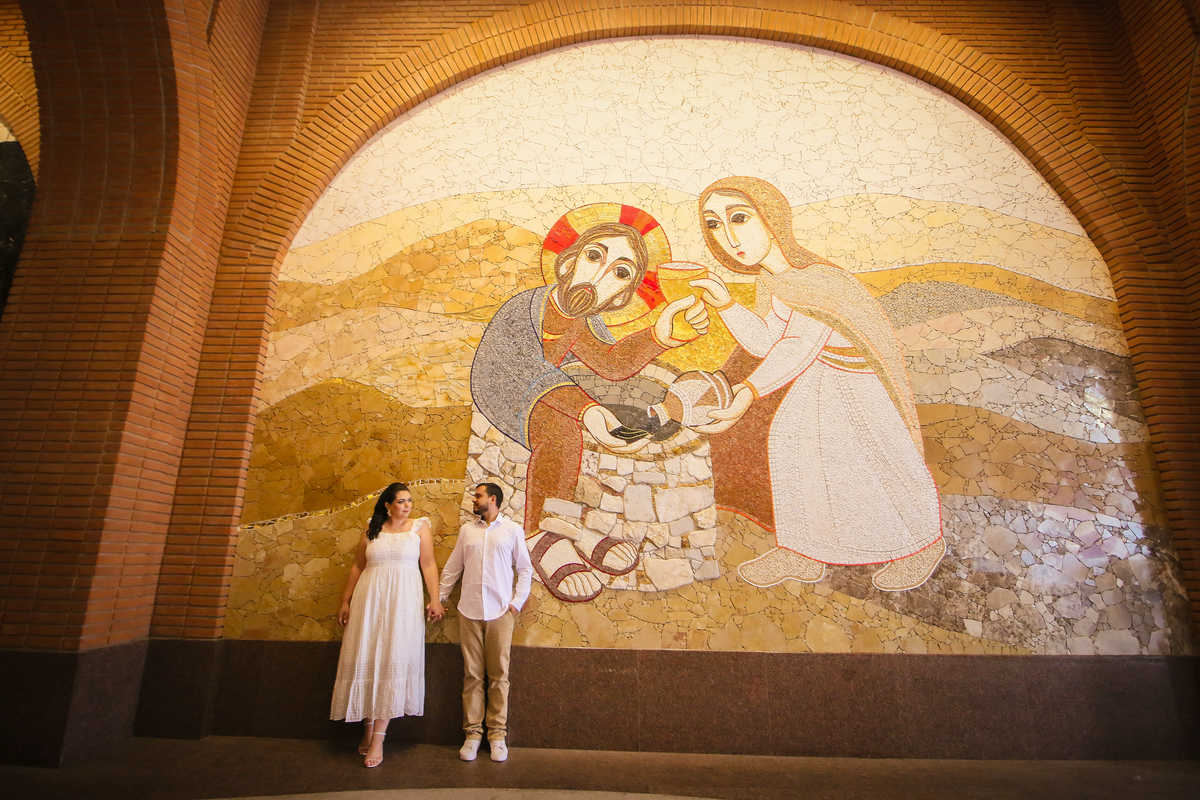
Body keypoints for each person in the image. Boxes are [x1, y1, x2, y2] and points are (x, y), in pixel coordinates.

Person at [691, 176, 945, 592]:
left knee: (879, 461)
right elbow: (767, 342)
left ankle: (920, 545)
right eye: (714, 225)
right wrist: (727, 305)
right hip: (820, 378)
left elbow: (798, 345)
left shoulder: (819, 280)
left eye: (739, 218)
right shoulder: (772, 281)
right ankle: (804, 550)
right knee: (792, 449)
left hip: (858, 388)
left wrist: (747, 393)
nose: (728, 237)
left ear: (772, 218)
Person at [470, 203, 709, 603]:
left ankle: (574, 526)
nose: (599, 276)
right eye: (595, 256)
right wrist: (588, 411)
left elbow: (611, 363)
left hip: (549, 387)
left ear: (620, 298)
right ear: (568, 263)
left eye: (620, 273)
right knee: (562, 431)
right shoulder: (524, 309)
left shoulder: (583, 320)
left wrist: (661, 336)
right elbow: (521, 368)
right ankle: (540, 534)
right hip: (503, 387)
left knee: (607, 411)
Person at [330, 482, 444, 768]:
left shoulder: (420, 528)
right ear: (388, 505)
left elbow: (428, 564)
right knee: (369, 659)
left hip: (402, 604)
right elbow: (358, 566)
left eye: (409, 501)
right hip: (369, 602)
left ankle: (379, 739)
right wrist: (345, 601)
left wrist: (435, 599)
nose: (407, 506)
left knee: (393, 660)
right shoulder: (372, 529)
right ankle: (367, 728)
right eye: (401, 501)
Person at [438, 482, 533, 762]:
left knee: (499, 676)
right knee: (472, 675)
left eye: (478, 495)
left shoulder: (512, 530)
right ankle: (472, 735)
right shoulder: (467, 531)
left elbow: (525, 569)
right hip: (468, 611)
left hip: (501, 613)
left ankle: (497, 736)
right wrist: (439, 598)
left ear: (492, 499)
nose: (474, 499)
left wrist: (516, 603)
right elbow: (453, 567)